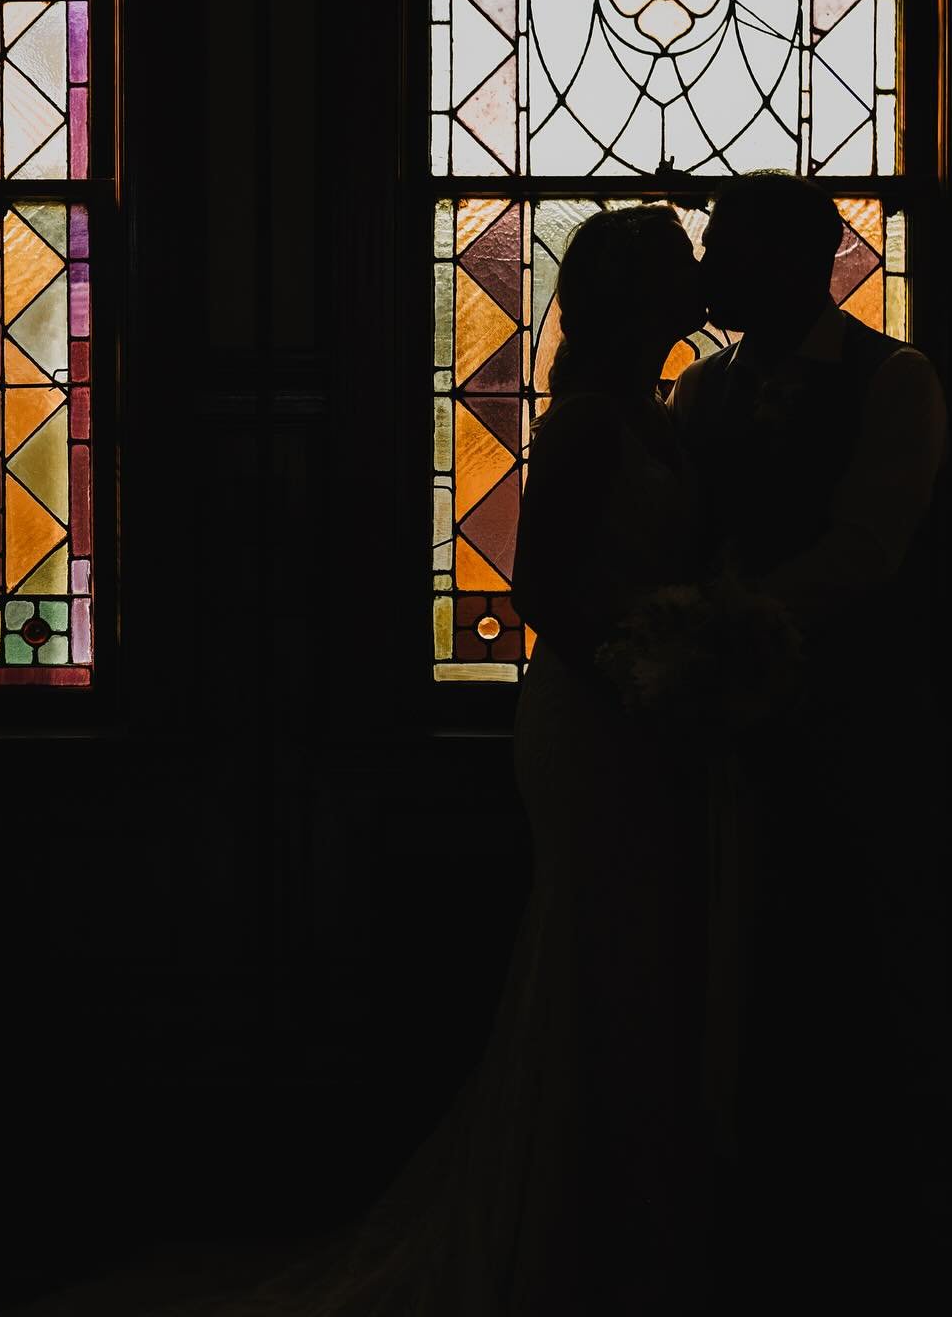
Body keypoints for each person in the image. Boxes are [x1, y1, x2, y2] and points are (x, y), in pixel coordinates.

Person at [231, 204, 714, 1316]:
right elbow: (542, 589)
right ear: (639, 295)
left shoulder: (665, 408)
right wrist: (650, 678)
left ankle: (607, 1225)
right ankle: (564, 1235)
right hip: (597, 723)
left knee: (632, 968)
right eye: (681, 266)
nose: (698, 279)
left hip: (645, 713)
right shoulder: (591, 422)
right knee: (601, 954)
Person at [670, 170, 952, 1277]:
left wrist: (728, 619)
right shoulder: (704, 389)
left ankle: (873, 1234)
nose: (705, 270)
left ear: (801, 260)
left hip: (861, 730)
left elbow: (870, 549)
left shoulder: (897, 380)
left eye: (725, 248)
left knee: (862, 968)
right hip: (726, 731)